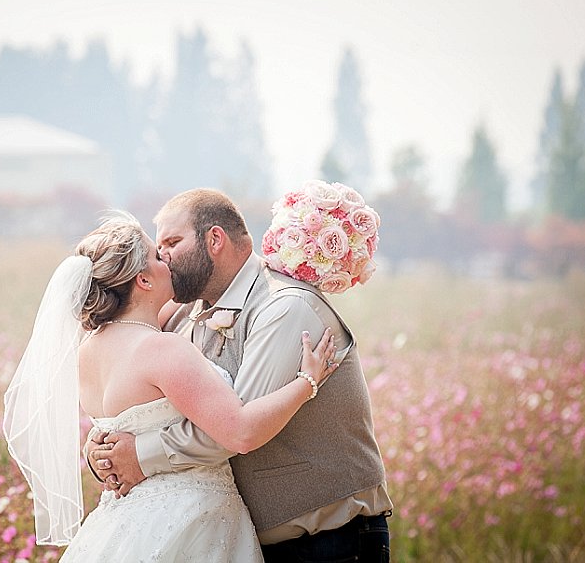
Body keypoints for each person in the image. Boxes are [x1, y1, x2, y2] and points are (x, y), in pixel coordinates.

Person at [3, 211, 338, 562]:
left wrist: (95, 452)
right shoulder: (162, 348)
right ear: (144, 281)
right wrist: (307, 382)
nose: (169, 260)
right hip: (193, 519)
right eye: (158, 256)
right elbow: (240, 432)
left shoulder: (88, 350)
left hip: (122, 524)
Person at [87, 189, 393, 562]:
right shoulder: (182, 316)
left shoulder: (285, 307)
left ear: (214, 239)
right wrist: (101, 449)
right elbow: (145, 398)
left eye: (171, 242)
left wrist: (140, 454)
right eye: (159, 248)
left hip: (326, 541)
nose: (163, 256)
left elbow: (234, 428)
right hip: (239, 541)